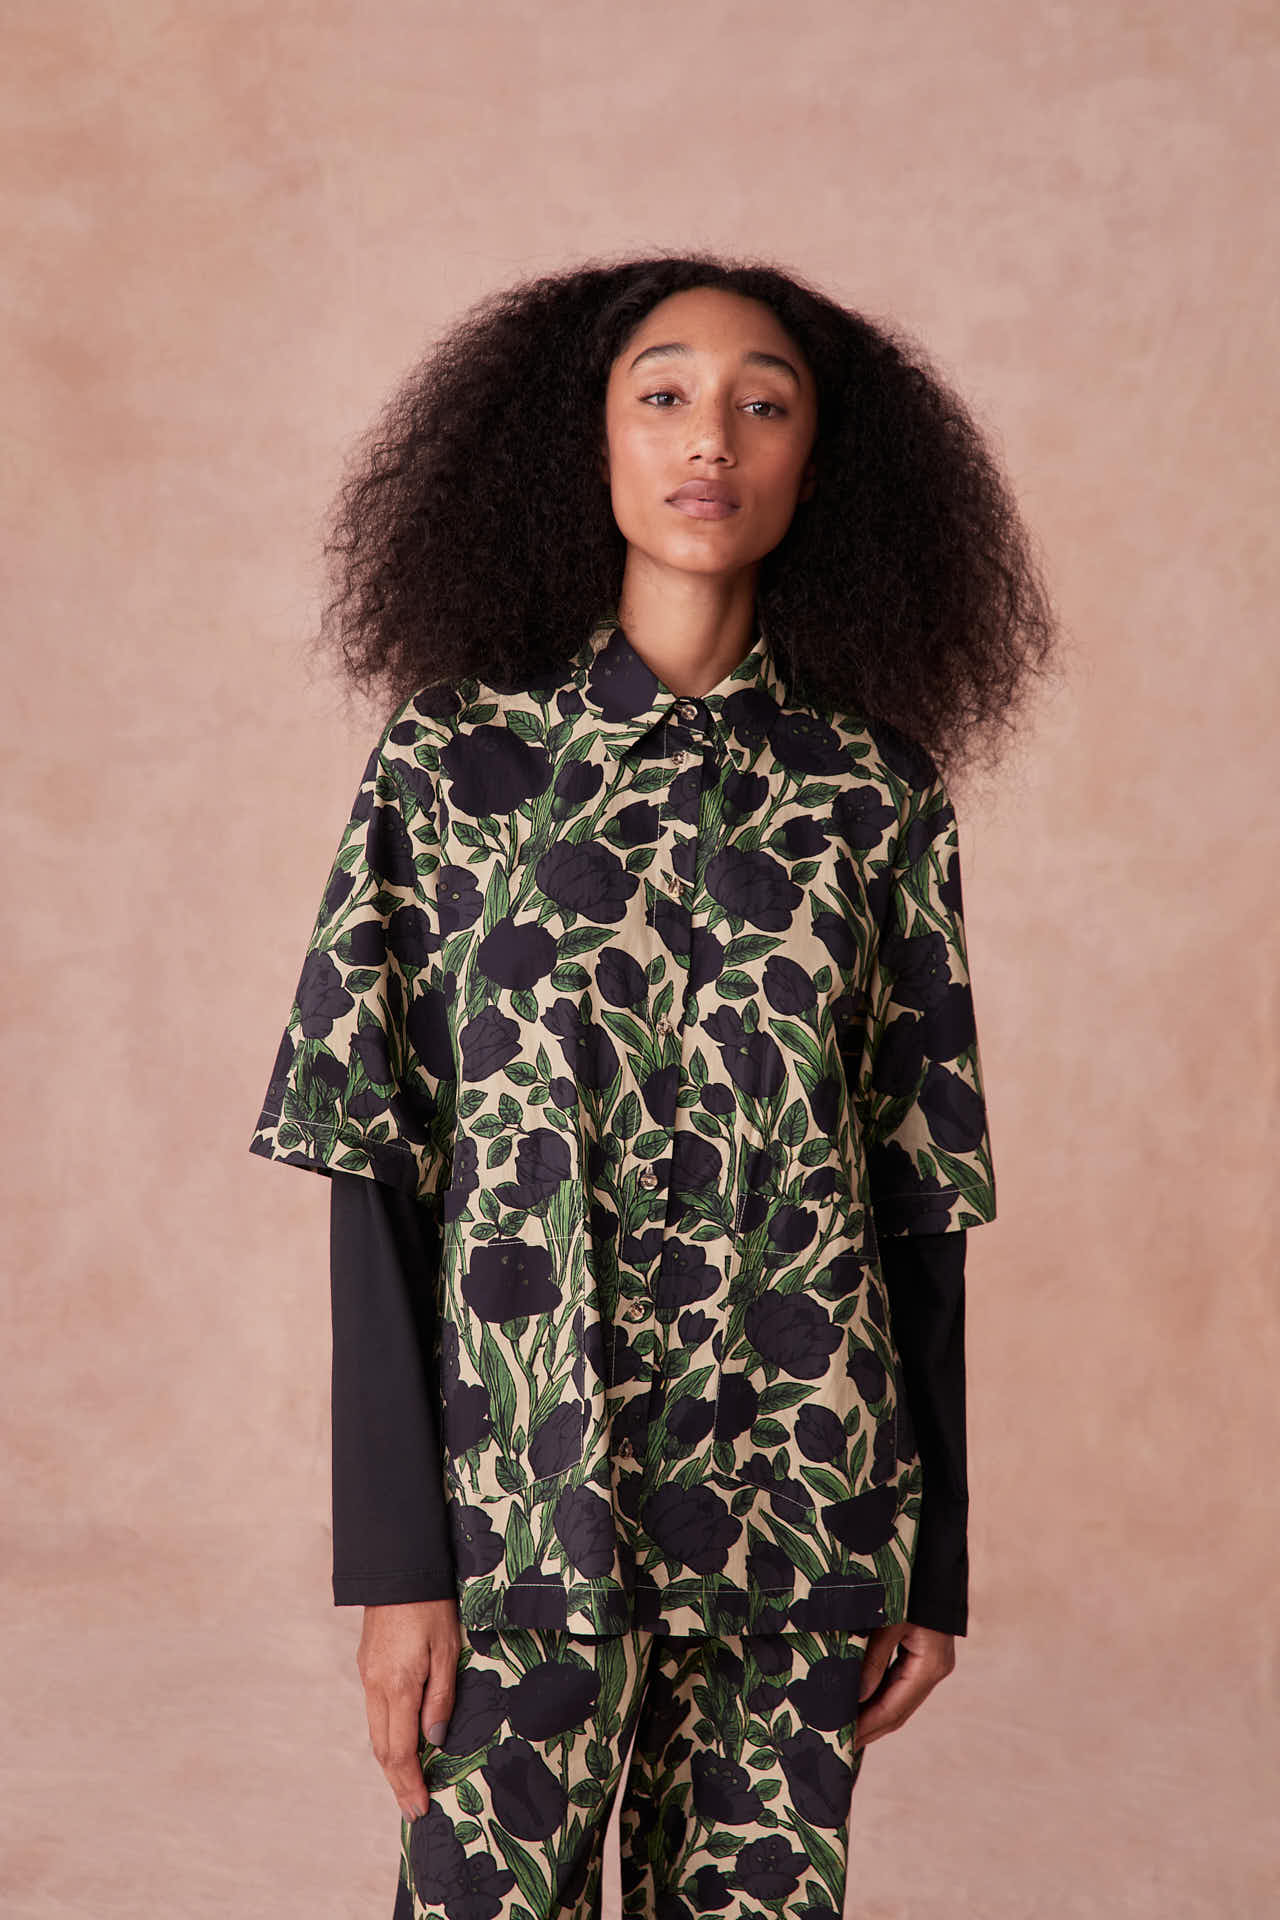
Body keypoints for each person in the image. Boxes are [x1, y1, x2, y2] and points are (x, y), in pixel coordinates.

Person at [249, 252, 1057, 1920]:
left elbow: (919, 1201)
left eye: (765, 405)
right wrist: (398, 1567)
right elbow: (377, 1167)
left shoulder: (876, 797)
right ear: (592, 443)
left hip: (799, 1521)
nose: (712, 439)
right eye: (666, 395)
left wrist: (936, 1560)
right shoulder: (452, 768)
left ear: (818, 467)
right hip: (520, 1520)